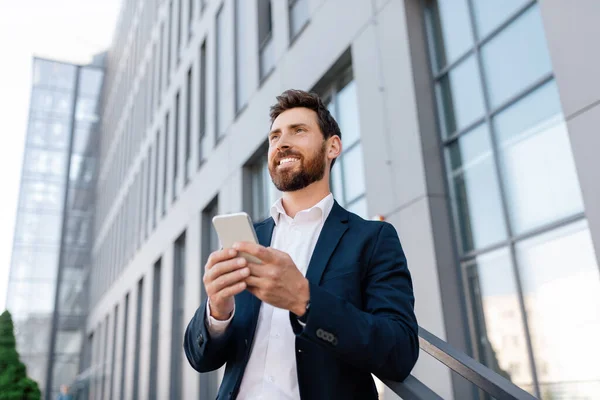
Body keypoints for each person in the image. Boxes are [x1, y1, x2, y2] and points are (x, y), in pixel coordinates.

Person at [184, 89, 419, 399]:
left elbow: (399, 350)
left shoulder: (372, 239)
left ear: (332, 146)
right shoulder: (251, 238)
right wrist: (218, 310)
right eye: (274, 136)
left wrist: (306, 301)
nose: (282, 143)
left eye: (299, 131)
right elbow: (201, 359)